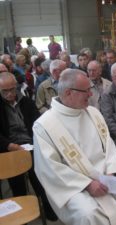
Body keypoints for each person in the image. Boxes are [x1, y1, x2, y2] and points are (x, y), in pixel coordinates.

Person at [33, 68, 116, 225]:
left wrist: (111, 171)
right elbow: (49, 169)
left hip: (107, 174)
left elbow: (109, 147)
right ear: (68, 93)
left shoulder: (93, 112)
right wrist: (88, 184)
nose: (91, 94)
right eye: (86, 91)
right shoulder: (44, 126)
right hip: (74, 187)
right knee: (89, 214)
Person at [0, 72, 57, 221]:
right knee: (17, 181)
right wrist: (10, 145)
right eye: (4, 91)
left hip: (30, 143)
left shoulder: (26, 102)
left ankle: (46, 205)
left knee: (39, 176)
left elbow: (38, 124)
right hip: (9, 147)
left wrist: (35, 142)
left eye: (12, 89)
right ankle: (20, 209)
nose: (9, 93)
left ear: (17, 87)